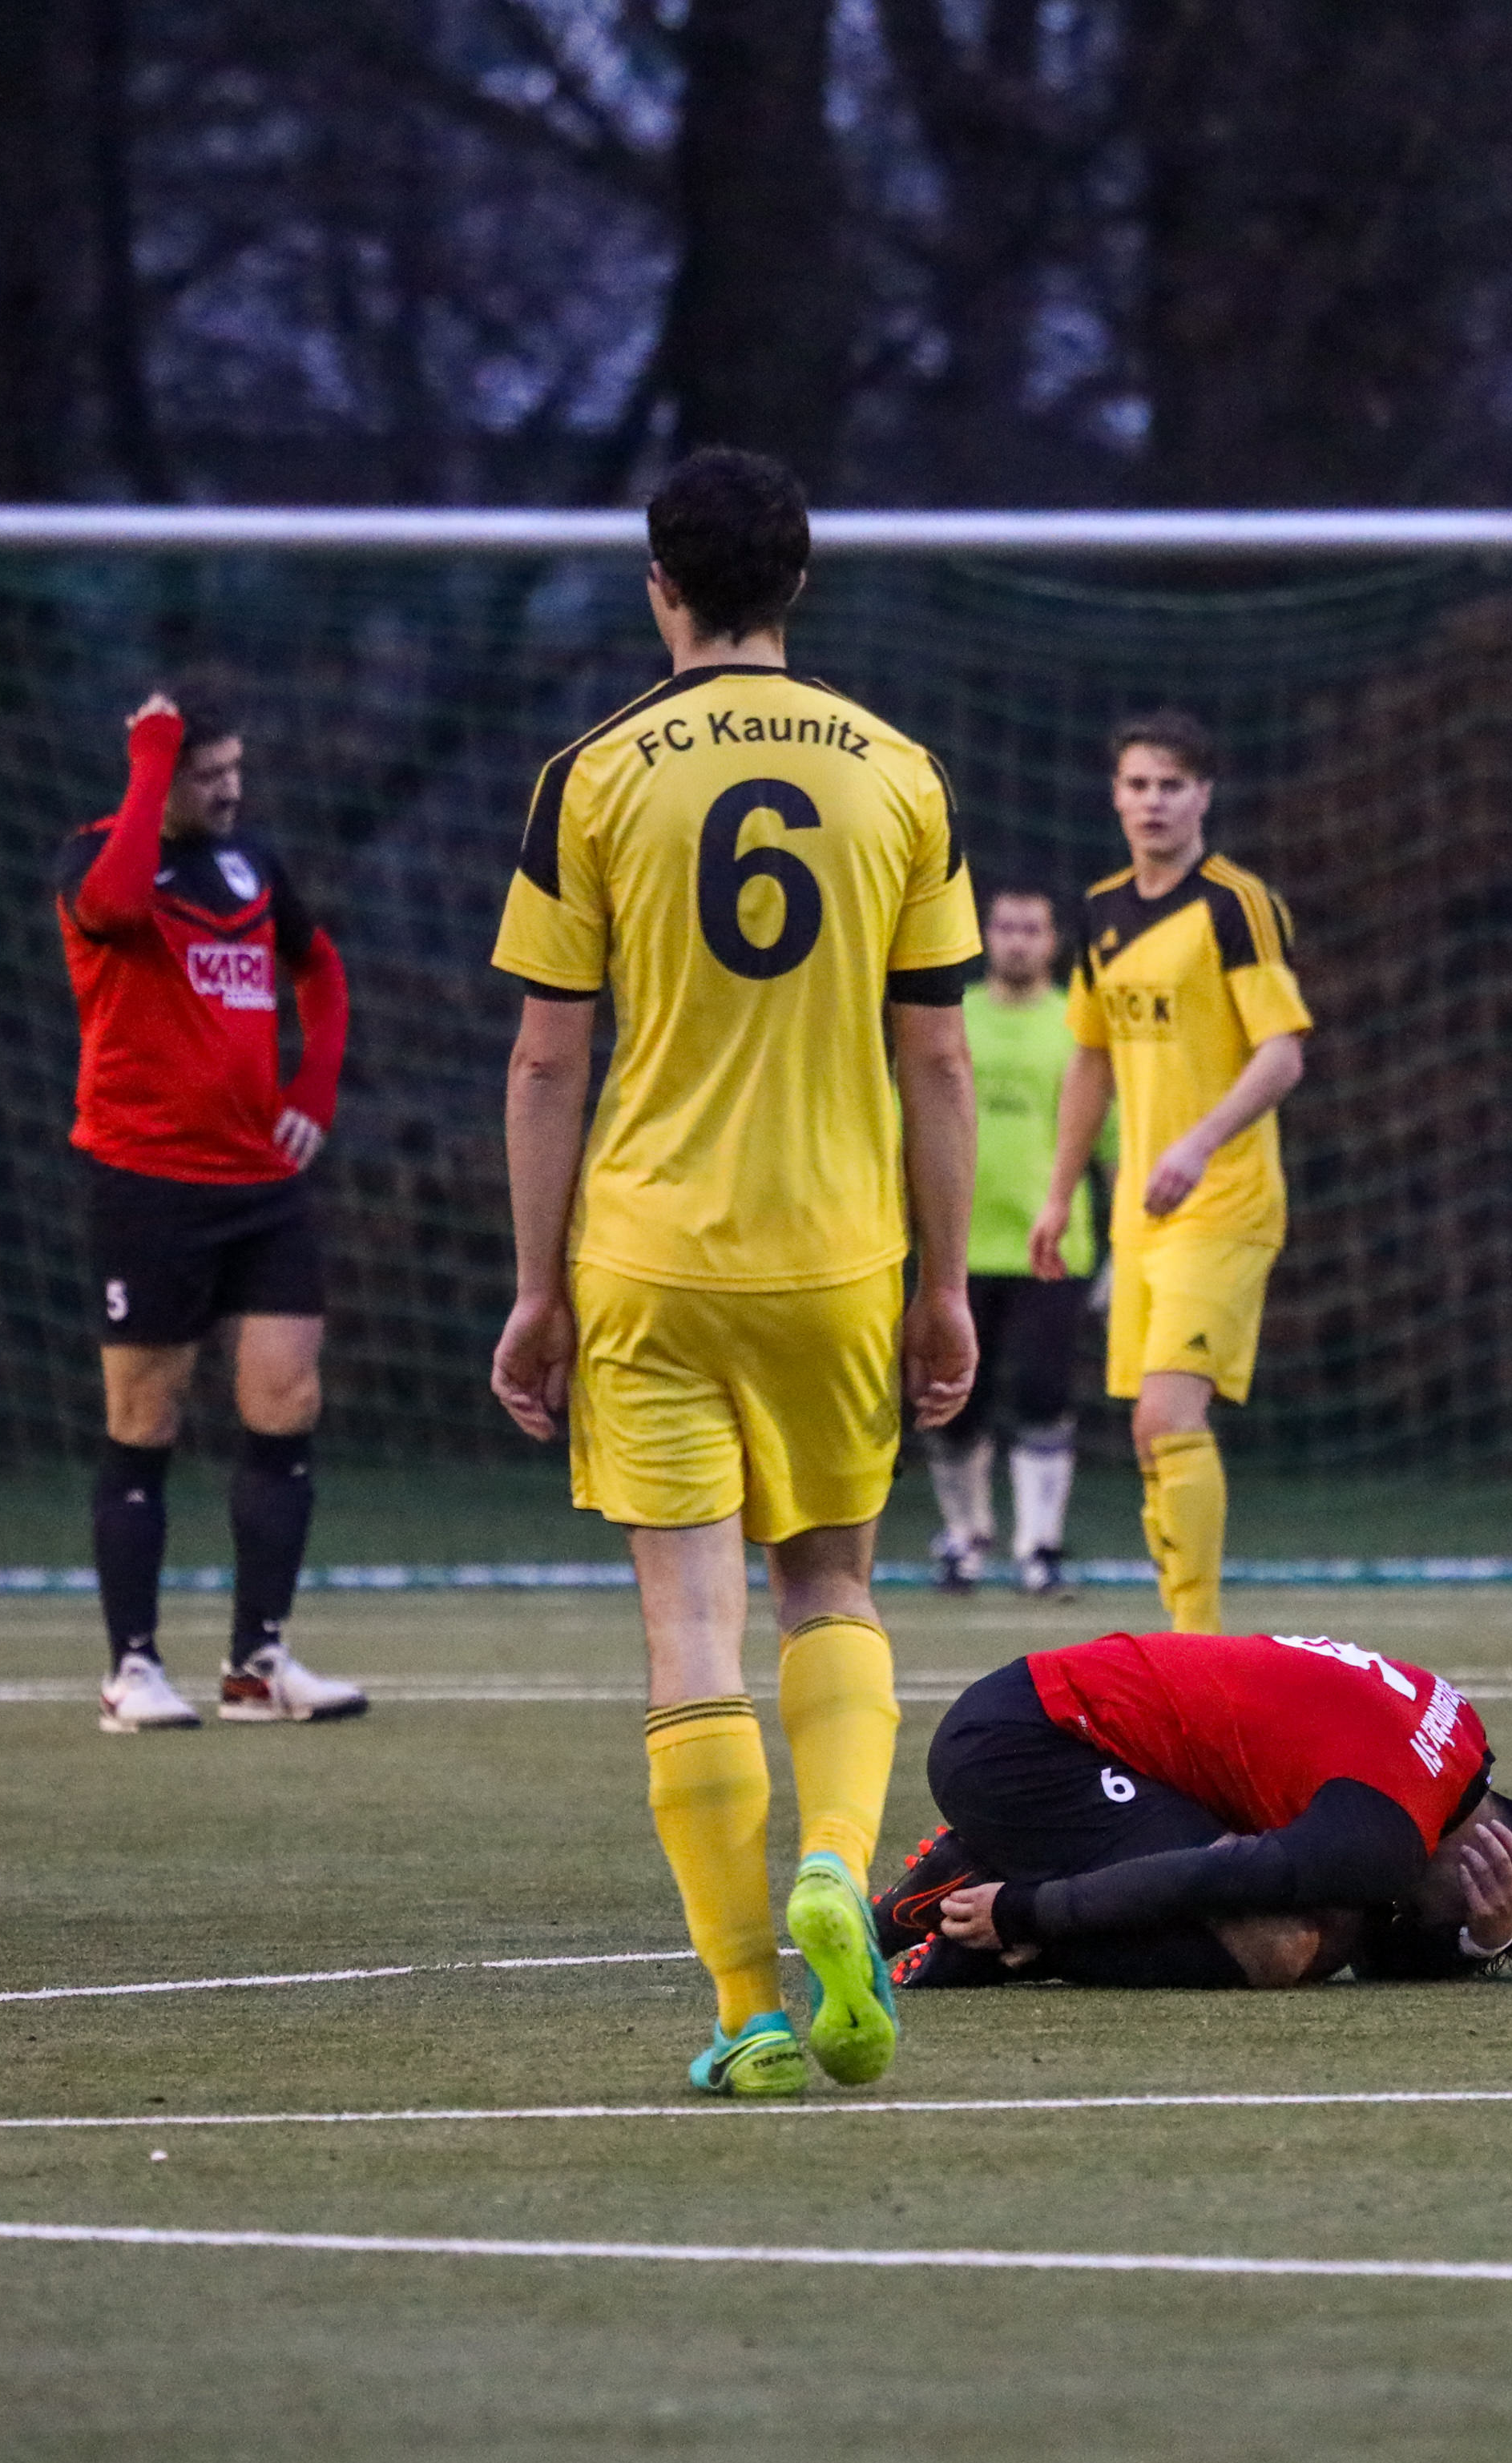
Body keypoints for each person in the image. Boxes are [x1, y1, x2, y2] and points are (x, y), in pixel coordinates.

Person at [490, 447, 982, 2101]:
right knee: (828, 1588)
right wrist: (943, 1285)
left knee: (688, 1631)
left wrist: (536, 1288)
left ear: (661, 587)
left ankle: (747, 2011)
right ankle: (836, 1858)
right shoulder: (899, 772)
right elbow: (939, 1061)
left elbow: (546, 1059)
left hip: (648, 1256)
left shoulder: (589, 774)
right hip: (836, 1255)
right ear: (798, 583)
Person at [59, 684, 363, 1732]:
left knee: (287, 1402)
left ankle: (256, 1665)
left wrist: (312, 1087)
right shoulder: (94, 859)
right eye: (206, 774)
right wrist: (151, 757)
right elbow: (114, 911)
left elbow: (320, 970)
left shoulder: (252, 864)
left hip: (262, 1185)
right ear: (156, 772)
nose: (230, 792)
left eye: (236, 770)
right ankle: (131, 1669)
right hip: (145, 1182)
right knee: (145, 1419)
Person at [1032, 711, 1311, 1635]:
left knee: (1166, 1419)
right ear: (1115, 796)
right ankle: (1187, 1641)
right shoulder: (1101, 910)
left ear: (1204, 796)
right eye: (1138, 784)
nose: (1153, 802)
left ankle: (1198, 1648)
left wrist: (1197, 1144)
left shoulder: (1236, 904)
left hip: (1223, 1199)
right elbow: (1090, 1062)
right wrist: (1059, 1194)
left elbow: (1282, 1054)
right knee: (1150, 1436)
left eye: (1172, 785)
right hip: (1139, 1214)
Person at [881, 1629, 1512, 1989]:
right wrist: (1024, 1912)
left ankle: (989, 1880)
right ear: (1484, 1870)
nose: (1395, 1915)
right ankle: (984, 1916)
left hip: (1057, 1716)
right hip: (1031, 1746)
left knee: (1323, 1923)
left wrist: (1480, 1941)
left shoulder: (1458, 1741)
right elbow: (1211, 1879)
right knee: (1278, 1946)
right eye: (1419, 1915)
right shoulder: (1383, 1836)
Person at [927, 881, 1102, 1598]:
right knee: (952, 1401)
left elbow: (1111, 1140)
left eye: (1032, 929)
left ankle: (1039, 1547)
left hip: (1051, 1248)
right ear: (985, 935)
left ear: (1053, 941)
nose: (1017, 941)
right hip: (958, 1246)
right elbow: (911, 1124)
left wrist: (1126, 1247)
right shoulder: (952, 1017)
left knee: (1041, 1394)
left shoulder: (1077, 1025)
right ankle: (965, 1538)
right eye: (1005, 927)